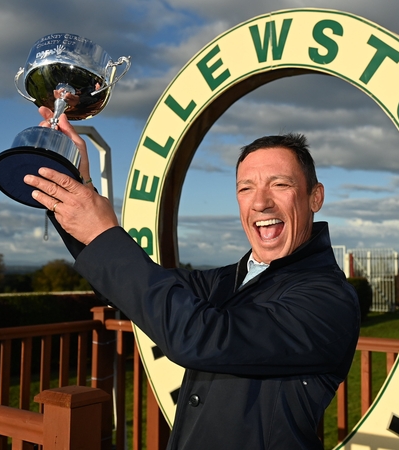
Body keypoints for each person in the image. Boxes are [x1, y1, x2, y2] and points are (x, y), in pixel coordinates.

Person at [23, 107, 361, 449]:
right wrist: (74, 189)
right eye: (246, 188)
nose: (260, 202)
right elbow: (131, 288)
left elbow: (199, 336)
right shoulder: (229, 280)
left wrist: (104, 232)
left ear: (315, 197)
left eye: (280, 184)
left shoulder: (328, 300)